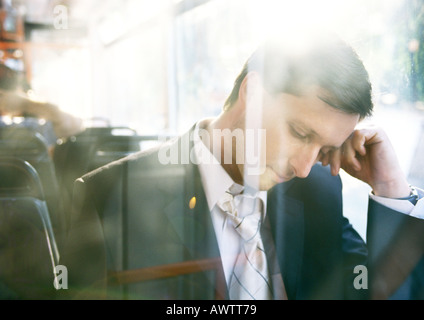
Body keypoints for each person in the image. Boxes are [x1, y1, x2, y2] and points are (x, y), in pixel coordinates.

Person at [61, 30, 424, 300]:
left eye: (325, 148)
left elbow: (376, 291)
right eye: (299, 132)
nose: (303, 166)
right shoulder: (108, 197)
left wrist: (392, 188)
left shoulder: (317, 190)